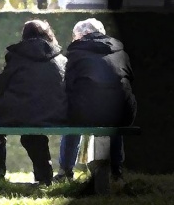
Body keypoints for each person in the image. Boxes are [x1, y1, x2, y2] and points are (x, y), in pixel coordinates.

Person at [0, 20, 68, 186]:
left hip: (19, 113)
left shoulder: (17, 57)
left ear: (25, 35)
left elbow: (0, 86)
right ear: (49, 35)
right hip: (55, 113)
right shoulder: (61, 59)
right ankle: (44, 176)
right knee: (33, 134)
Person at [53, 18, 137, 182]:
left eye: (74, 36)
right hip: (123, 114)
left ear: (82, 35)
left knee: (71, 117)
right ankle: (116, 171)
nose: (73, 39)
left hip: (85, 114)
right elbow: (130, 80)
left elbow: (68, 86)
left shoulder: (76, 54)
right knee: (114, 115)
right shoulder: (121, 52)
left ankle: (66, 171)